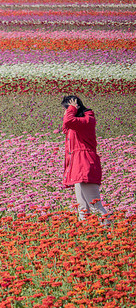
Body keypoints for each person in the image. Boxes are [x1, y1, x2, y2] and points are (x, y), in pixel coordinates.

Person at [61, 96, 109, 224]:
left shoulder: (87, 120)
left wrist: (71, 109)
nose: (65, 113)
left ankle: (110, 232)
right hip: (78, 165)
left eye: (66, 109)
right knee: (82, 207)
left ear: (75, 108)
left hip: (85, 164)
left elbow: (68, 121)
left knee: (95, 205)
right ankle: (86, 235)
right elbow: (66, 126)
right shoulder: (77, 123)